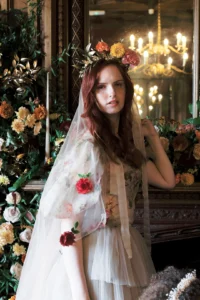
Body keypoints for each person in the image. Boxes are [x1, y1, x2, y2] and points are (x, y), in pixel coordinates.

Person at [16, 41, 175, 300]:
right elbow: (67, 222)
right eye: (101, 87)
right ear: (92, 94)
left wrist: (152, 138)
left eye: (118, 84)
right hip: (96, 256)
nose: (112, 93)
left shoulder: (126, 147)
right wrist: (81, 294)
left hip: (125, 251)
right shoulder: (88, 147)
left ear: (127, 89)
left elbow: (168, 181)